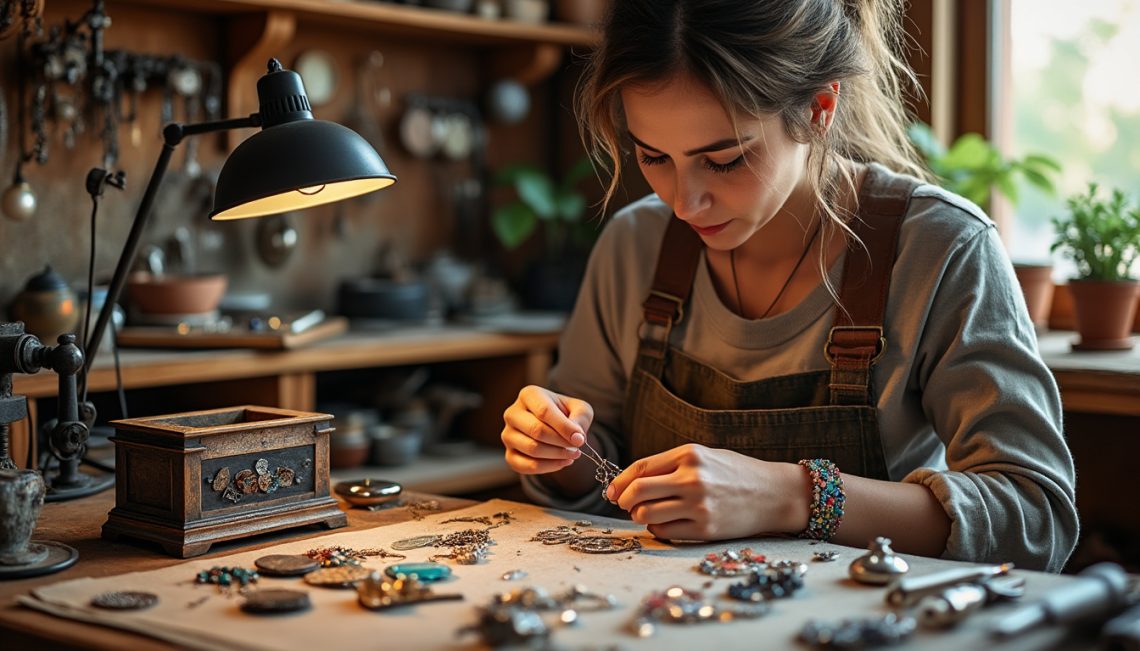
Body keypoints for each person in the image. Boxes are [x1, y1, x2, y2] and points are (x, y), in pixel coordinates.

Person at [499, 0, 1078, 572]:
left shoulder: (939, 247)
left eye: (724, 160)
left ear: (820, 108)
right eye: (653, 157)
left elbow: (1034, 518)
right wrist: (559, 449)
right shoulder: (635, 246)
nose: (684, 203)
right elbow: (595, 477)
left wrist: (789, 495)